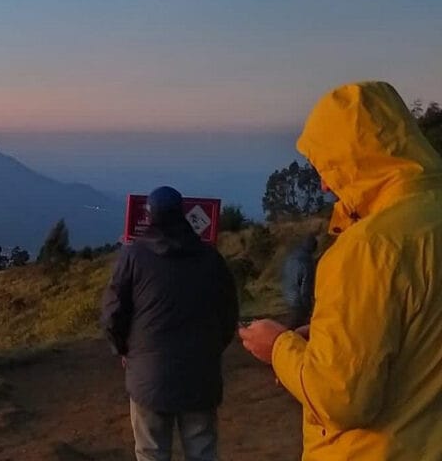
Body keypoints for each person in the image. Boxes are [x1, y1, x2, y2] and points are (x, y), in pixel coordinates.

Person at [239, 81, 442, 460]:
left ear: (357, 159)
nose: (323, 182)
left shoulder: (371, 247)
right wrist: (328, 335)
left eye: (327, 166)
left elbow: (342, 399)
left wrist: (278, 347)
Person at [102, 186, 239, 461]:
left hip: (148, 376)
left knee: (151, 452)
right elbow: (228, 313)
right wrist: (211, 350)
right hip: (201, 376)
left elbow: (113, 313)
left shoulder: (133, 256)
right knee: (202, 451)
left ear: (150, 215)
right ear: (183, 214)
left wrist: (124, 349)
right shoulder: (210, 257)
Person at [280, 233, 317, 329]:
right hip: (299, 300)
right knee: (297, 328)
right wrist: (308, 307)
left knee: (293, 323)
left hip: (288, 295)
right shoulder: (306, 261)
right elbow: (305, 287)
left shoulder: (291, 257)